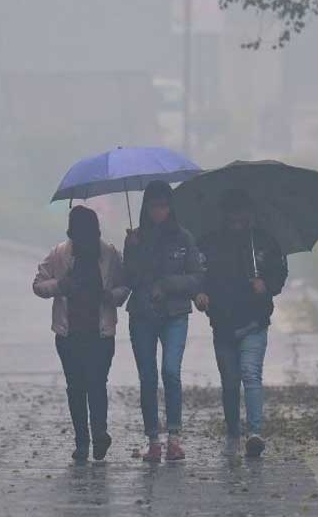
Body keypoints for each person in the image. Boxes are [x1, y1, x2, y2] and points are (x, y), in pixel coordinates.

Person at [195, 189, 288, 458]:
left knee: (250, 373)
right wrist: (200, 295)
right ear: (225, 214)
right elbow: (198, 275)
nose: (237, 217)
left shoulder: (264, 242)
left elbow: (279, 273)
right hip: (222, 324)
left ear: (249, 213)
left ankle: (255, 432)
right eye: (232, 212)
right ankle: (233, 430)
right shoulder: (208, 244)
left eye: (241, 212)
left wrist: (266, 285)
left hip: (255, 321)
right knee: (230, 382)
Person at [33, 205, 129, 462]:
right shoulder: (59, 254)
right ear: (72, 234)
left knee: (96, 384)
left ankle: (99, 435)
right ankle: (82, 442)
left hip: (101, 333)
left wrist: (111, 296)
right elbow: (38, 285)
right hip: (69, 334)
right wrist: (60, 285)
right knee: (76, 388)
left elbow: (124, 286)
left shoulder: (109, 254)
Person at [124, 180, 205, 463]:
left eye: (163, 206)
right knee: (148, 378)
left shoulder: (183, 238)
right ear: (146, 208)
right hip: (142, 315)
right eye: (154, 206)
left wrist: (168, 284)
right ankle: (153, 440)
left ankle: (174, 438)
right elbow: (129, 279)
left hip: (175, 314)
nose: (159, 211)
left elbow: (196, 277)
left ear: (171, 207)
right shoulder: (136, 238)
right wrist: (132, 251)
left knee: (171, 371)